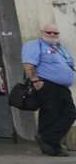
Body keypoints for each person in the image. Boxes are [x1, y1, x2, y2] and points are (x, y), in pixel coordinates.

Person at [22, 21, 75, 156]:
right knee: (51, 114)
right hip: (46, 85)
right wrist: (36, 81)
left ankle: (49, 141)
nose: (52, 34)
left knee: (68, 113)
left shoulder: (59, 48)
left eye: (55, 33)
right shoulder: (35, 45)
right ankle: (51, 144)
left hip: (62, 87)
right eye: (49, 32)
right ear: (42, 33)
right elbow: (29, 64)